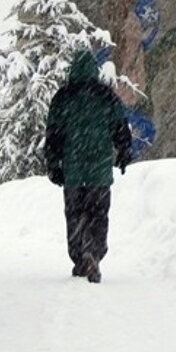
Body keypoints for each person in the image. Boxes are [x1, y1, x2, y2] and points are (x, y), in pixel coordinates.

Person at [45, 49, 132, 284]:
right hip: (99, 170)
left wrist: (54, 164)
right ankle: (94, 252)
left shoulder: (63, 97)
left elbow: (53, 135)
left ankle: (80, 257)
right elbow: (120, 127)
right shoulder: (106, 96)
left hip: (73, 170)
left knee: (75, 214)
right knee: (98, 213)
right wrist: (124, 153)